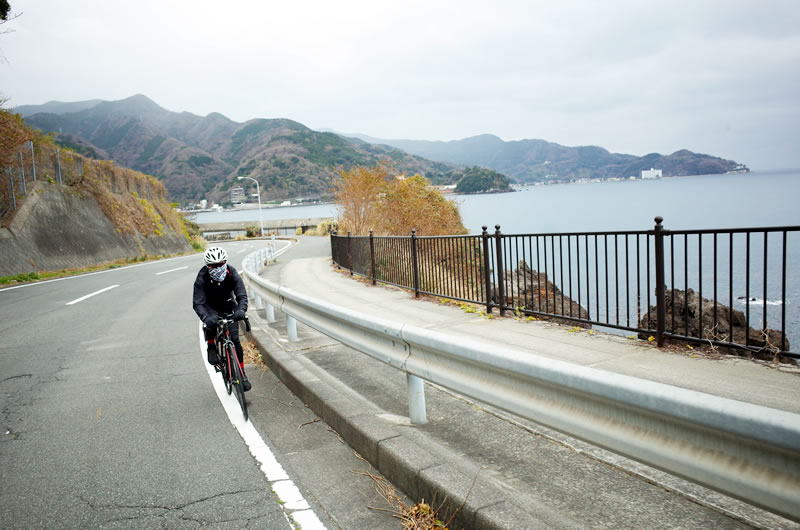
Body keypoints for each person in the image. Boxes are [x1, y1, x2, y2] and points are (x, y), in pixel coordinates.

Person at [193, 246, 251, 391]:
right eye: (213, 265)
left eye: (221, 264)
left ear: (225, 262)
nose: (218, 268)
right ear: (208, 266)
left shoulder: (231, 272)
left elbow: (241, 295)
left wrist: (241, 310)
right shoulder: (202, 276)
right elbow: (198, 303)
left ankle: (242, 374)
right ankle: (211, 346)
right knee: (212, 321)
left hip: (228, 305)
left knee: (235, 340)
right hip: (210, 307)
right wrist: (205, 317)